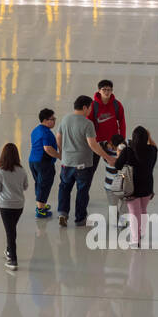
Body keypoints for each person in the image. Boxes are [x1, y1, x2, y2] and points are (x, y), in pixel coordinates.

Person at [58, 95, 116, 228]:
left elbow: (58, 138)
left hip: (67, 163)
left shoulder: (65, 119)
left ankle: (62, 213)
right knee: (82, 190)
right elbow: (93, 145)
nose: (90, 110)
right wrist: (108, 158)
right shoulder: (87, 123)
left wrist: (62, 153)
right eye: (90, 107)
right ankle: (80, 219)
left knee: (65, 188)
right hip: (83, 164)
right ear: (84, 107)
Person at [114, 126, 158, 247]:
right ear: (146, 138)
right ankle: (142, 233)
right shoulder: (152, 151)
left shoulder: (127, 151)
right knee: (143, 210)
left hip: (130, 188)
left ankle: (135, 240)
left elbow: (117, 166)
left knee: (134, 213)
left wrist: (119, 153)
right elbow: (155, 146)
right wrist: (149, 137)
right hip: (147, 187)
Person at [0, 142, 30, 270]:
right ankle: (9, 250)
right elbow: (26, 186)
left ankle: (13, 260)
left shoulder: (0, 171)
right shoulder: (22, 170)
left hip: (5, 205)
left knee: (10, 232)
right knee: (11, 229)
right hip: (19, 205)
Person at [28, 108, 60, 219]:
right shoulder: (45, 132)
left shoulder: (36, 130)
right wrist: (60, 156)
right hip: (43, 162)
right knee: (44, 184)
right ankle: (40, 210)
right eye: (53, 119)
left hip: (33, 161)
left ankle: (40, 205)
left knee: (39, 183)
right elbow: (47, 148)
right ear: (46, 120)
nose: (54, 121)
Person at [87, 80, 126, 146]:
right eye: (104, 89)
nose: (107, 92)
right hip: (97, 141)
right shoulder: (93, 105)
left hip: (113, 142)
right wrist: (90, 140)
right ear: (99, 90)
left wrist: (122, 139)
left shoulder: (117, 105)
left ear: (112, 90)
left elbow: (122, 123)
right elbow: (88, 123)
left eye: (109, 90)